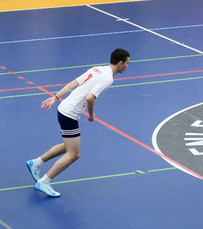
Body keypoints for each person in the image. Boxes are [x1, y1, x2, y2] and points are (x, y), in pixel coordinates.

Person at [27, 48, 130, 197]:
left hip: (64, 109)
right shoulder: (108, 78)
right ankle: (44, 181)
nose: (127, 66)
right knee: (74, 154)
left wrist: (55, 97)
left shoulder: (97, 69)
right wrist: (91, 115)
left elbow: (72, 83)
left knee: (68, 146)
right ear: (120, 63)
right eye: (127, 63)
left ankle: (36, 163)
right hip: (69, 114)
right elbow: (90, 98)